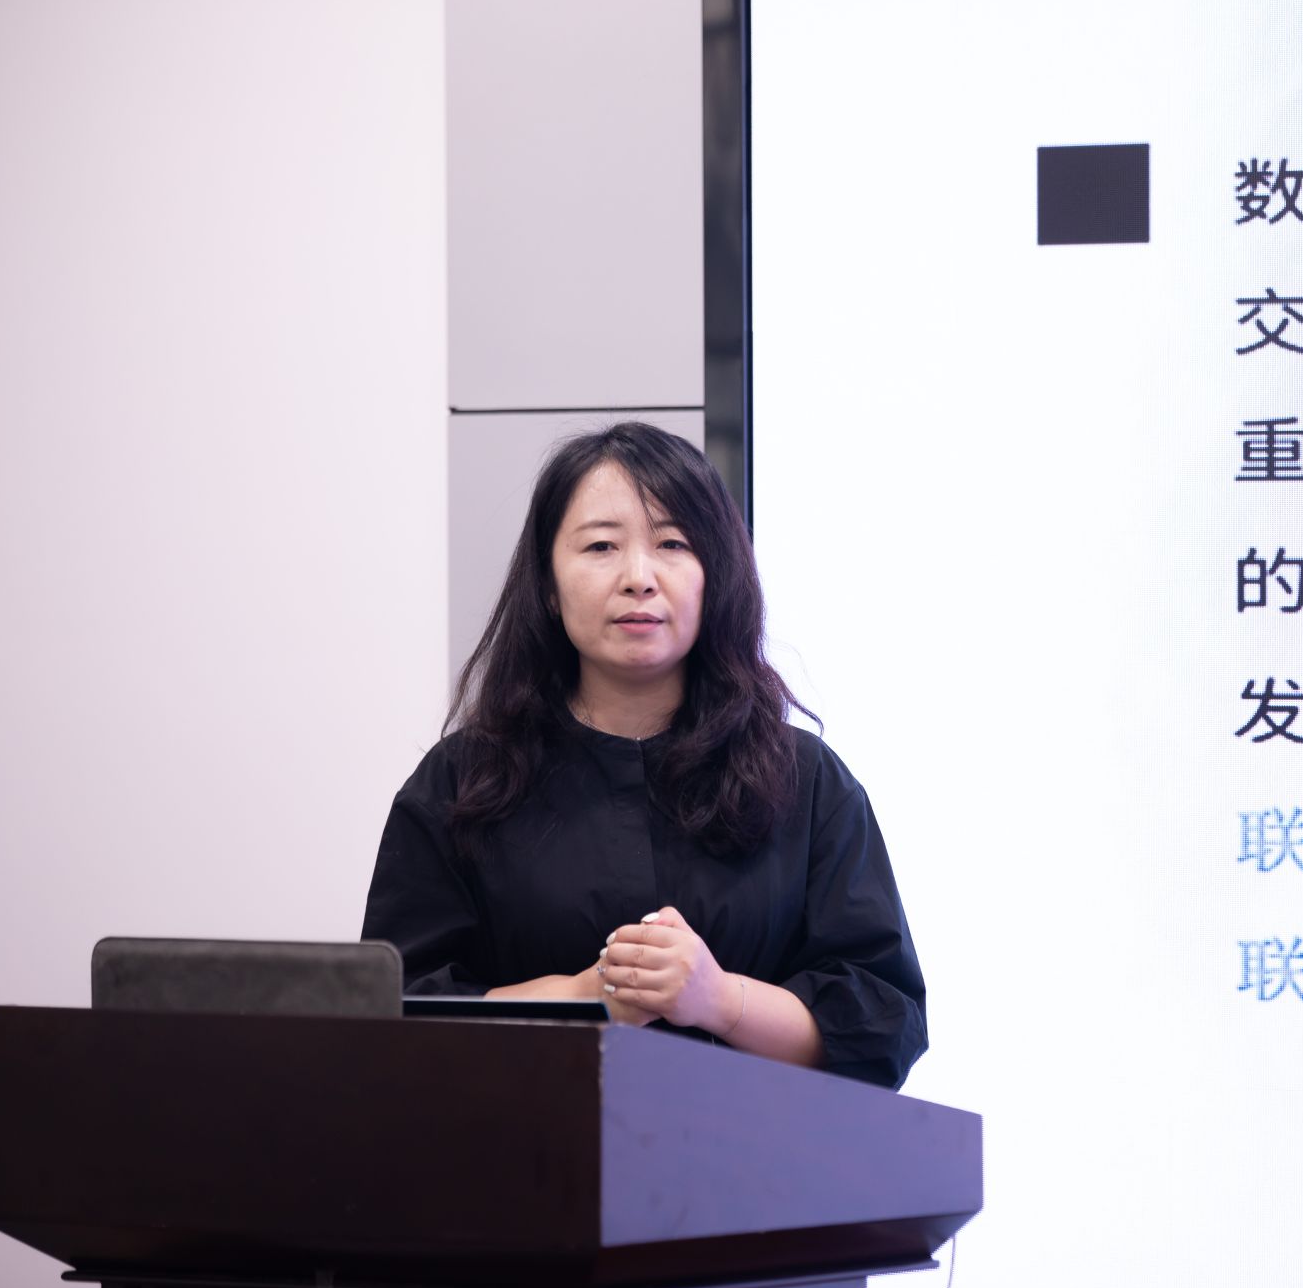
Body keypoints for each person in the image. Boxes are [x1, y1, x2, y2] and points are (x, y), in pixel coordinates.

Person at [363, 423, 925, 1088]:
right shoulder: (463, 781)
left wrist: (720, 999)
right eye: (601, 545)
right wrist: (583, 997)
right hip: (521, 1144)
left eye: (672, 544)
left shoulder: (808, 781)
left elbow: (881, 1024)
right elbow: (394, 1017)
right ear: (548, 584)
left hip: (749, 1148)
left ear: (715, 576)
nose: (639, 578)